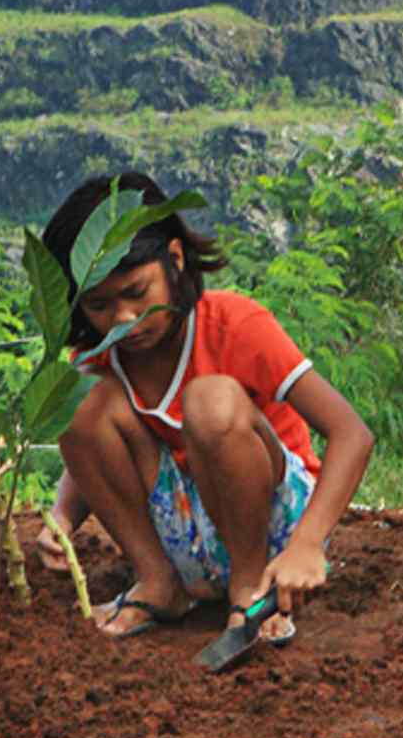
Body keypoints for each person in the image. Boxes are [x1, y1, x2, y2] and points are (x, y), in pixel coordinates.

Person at [41, 172, 375, 644]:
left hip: (273, 528)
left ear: (175, 260)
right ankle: (158, 583)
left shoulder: (235, 326)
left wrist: (306, 546)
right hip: (181, 534)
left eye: (137, 293)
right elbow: (89, 448)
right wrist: (63, 517)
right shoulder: (100, 357)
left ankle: (248, 591)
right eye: (99, 305)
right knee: (74, 396)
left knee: (209, 401)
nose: (124, 320)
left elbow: (351, 434)